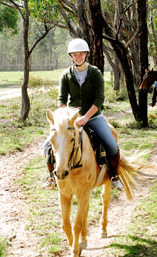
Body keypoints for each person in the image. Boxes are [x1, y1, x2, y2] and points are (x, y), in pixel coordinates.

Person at [43, 38, 123, 190]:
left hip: (93, 117)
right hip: (71, 119)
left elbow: (99, 98)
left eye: (81, 54)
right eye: (75, 54)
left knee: (112, 146)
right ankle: (51, 177)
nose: (78, 57)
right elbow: (62, 98)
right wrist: (65, 117)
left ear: (86, 54)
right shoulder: (66, 75)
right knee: (47, 145)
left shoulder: (95, 73)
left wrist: (86, 118)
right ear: (71, 56)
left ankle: (114, 176)